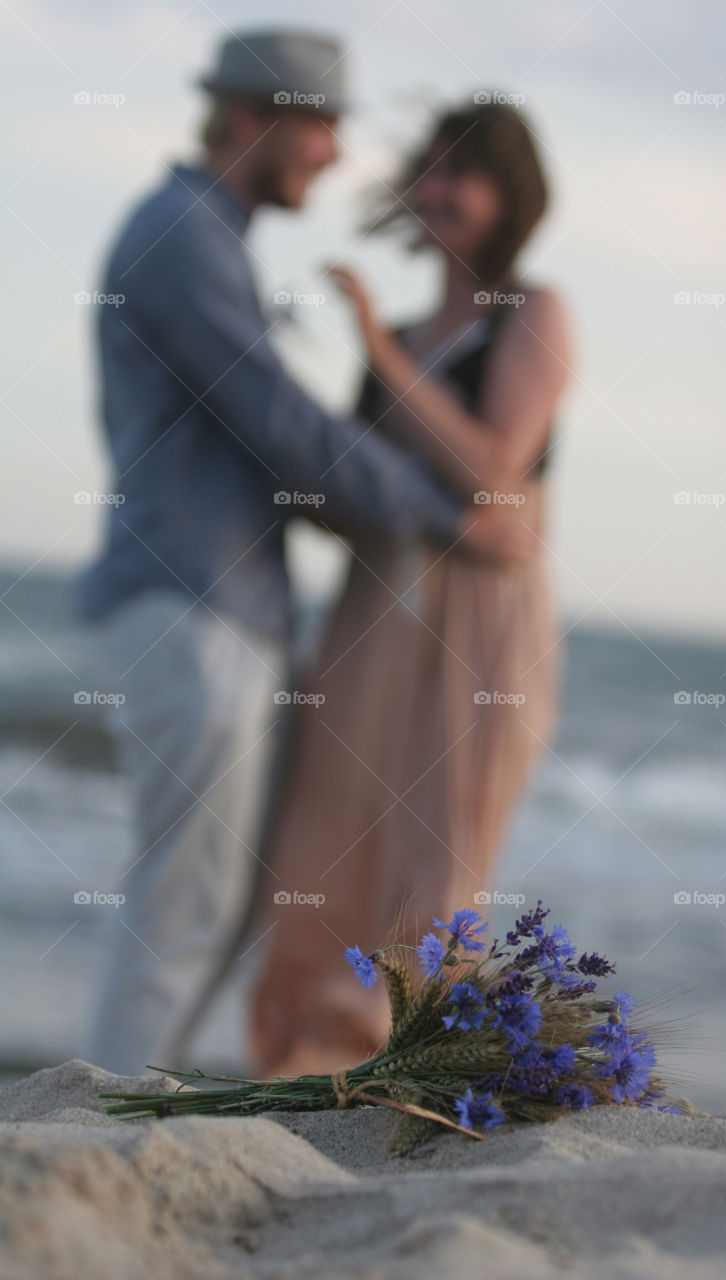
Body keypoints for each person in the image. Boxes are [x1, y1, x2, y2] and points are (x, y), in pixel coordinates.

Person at [73, 32, 531, 1078]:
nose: (333, 153)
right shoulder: (182, 237)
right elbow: (281, 423)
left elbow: (285, 442)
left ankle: (121, 1119)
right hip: (192, 609)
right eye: (320, 124)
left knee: (215, 905)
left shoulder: (204, 235)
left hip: (218, 608)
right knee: (182, 907)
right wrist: (447, 517)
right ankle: (86, 1133)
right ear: (252, 119)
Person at [248, 98, 573, 1078]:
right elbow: (350, 494)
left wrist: (377, 350)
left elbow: (492, 468)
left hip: (484, 621)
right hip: (366, 612)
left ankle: (405, 1072)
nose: (435, 192)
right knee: (324, 843)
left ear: (510, 195)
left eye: (460, 173)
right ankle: (298, 1071)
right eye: (426, 170)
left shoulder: (534, 311)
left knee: (441, 857)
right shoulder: (393, 327)